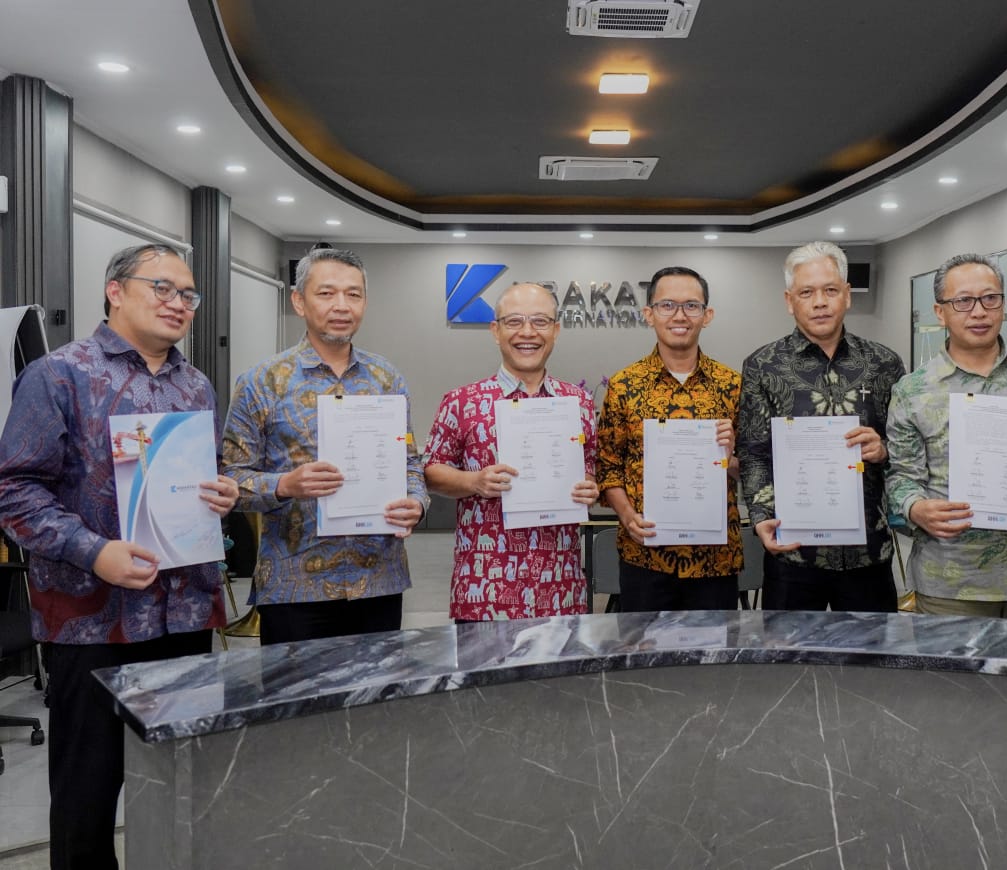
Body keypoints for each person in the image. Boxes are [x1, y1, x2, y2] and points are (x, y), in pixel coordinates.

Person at [0, 244, 239, 870]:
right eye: (163, 288)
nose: (178, 303)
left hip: (185, 615)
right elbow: (14, 491)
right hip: (93, 622)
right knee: (87, 796)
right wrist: (95, 550)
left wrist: (222, 493)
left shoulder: (195, 384)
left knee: (180, 789)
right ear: (115, 290)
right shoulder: (59, 375)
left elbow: (204, 476)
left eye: (188, 294)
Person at [222, 248, 427, 646]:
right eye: (327, 293)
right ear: (299, 301)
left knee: (378, 687)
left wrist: (416, 503)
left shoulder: (387, 379)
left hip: (377, 579)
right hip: (294, 584)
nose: (342, 305)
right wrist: (284, 485)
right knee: (294, 689)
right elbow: (230, 480)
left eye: (353, 294)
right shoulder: (261, 382)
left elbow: (410, 463)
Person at [885, 253, 1007, 621]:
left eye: (990, 298)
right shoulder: (913, 390)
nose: (979, 312)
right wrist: (915, 508)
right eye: (963, 301)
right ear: (940, 312)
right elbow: (901, 476)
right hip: (952, 577)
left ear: (1003, 305)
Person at [736, 241, 905, 611]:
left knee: (872, 648)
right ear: (789, 300)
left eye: (830, 290)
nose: (820, 302)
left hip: (868, 552)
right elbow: (753, 453)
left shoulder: (884, 363)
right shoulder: (762, 366)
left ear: (847, 295)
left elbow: (907, 449)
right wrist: (761, 517)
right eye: (806, 292)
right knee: (789, 649)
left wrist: (883, 450)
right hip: (793, 552)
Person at [424, 283, 599, 620]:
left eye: (540, 321)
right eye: (514, 321)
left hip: (560, 589)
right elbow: (431, 470)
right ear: (496, 330)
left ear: (556, 330)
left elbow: (588, 467)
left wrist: (589, 486)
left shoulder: (578, 402)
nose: (527, 332)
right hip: (485, 590)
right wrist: (474, 482)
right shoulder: (462, 401)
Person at [597, 266, 742, 611]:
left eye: (691, 306)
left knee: (715, 646)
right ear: (649, 314)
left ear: (707, 315)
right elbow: (608, 466)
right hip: (644, 556)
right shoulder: (624, 385)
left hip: (715, 559)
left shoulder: (733, 385)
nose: (680, 316)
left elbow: (753, 470)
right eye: (667, 305)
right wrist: (626, 515)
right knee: (642, 645)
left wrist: (731, 457)